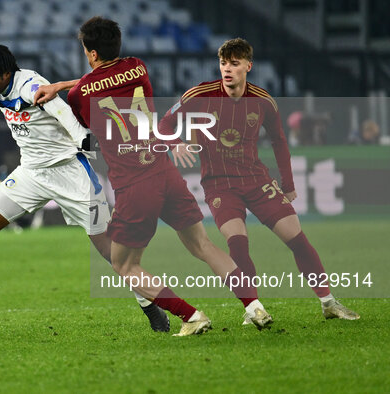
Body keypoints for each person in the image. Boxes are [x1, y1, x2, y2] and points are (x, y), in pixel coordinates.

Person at [34, 17, 272, 336]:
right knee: (203, 244)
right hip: (164, 171)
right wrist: (65, 84)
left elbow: (85, 102)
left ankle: (191, 316)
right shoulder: (138, 67)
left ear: (90, 54)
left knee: (124, 264)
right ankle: (254, 305)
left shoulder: (79, 94)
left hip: (134, 185)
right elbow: (105, 80)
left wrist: (59, 88)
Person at [0, 44, 169, 339]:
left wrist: (83, 140)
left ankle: (151, 306)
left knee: (112, 252)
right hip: (31, 173)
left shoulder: (32, 86)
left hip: (71, 173)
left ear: (7, 73)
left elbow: (62, 110)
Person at [159, 37, 359, 321]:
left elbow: (279, 142)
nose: (227, 69)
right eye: (223, 63)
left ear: (248, 66)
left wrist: (288, 185)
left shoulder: (263, 101)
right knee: (238, 243)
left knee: (297, 240)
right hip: (219, 184)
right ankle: (252, 307)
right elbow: (165, 122)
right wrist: (175, 144)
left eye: (234, 64)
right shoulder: (199, 95)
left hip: (256, 180)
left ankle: (329, 303)